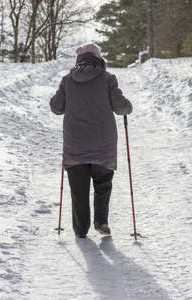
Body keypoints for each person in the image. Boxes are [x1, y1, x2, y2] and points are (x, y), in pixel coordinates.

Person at [50, 44, 133, 238]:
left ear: (79, 60)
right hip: (103, 143)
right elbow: (121, 107)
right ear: (99, 59)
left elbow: (56, 107)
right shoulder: (108, 79)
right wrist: (128, 107)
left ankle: (80, 230)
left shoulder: (68, 81)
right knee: (103, 183)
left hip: (75, 143)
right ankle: (101, 222)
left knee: (78, 190)